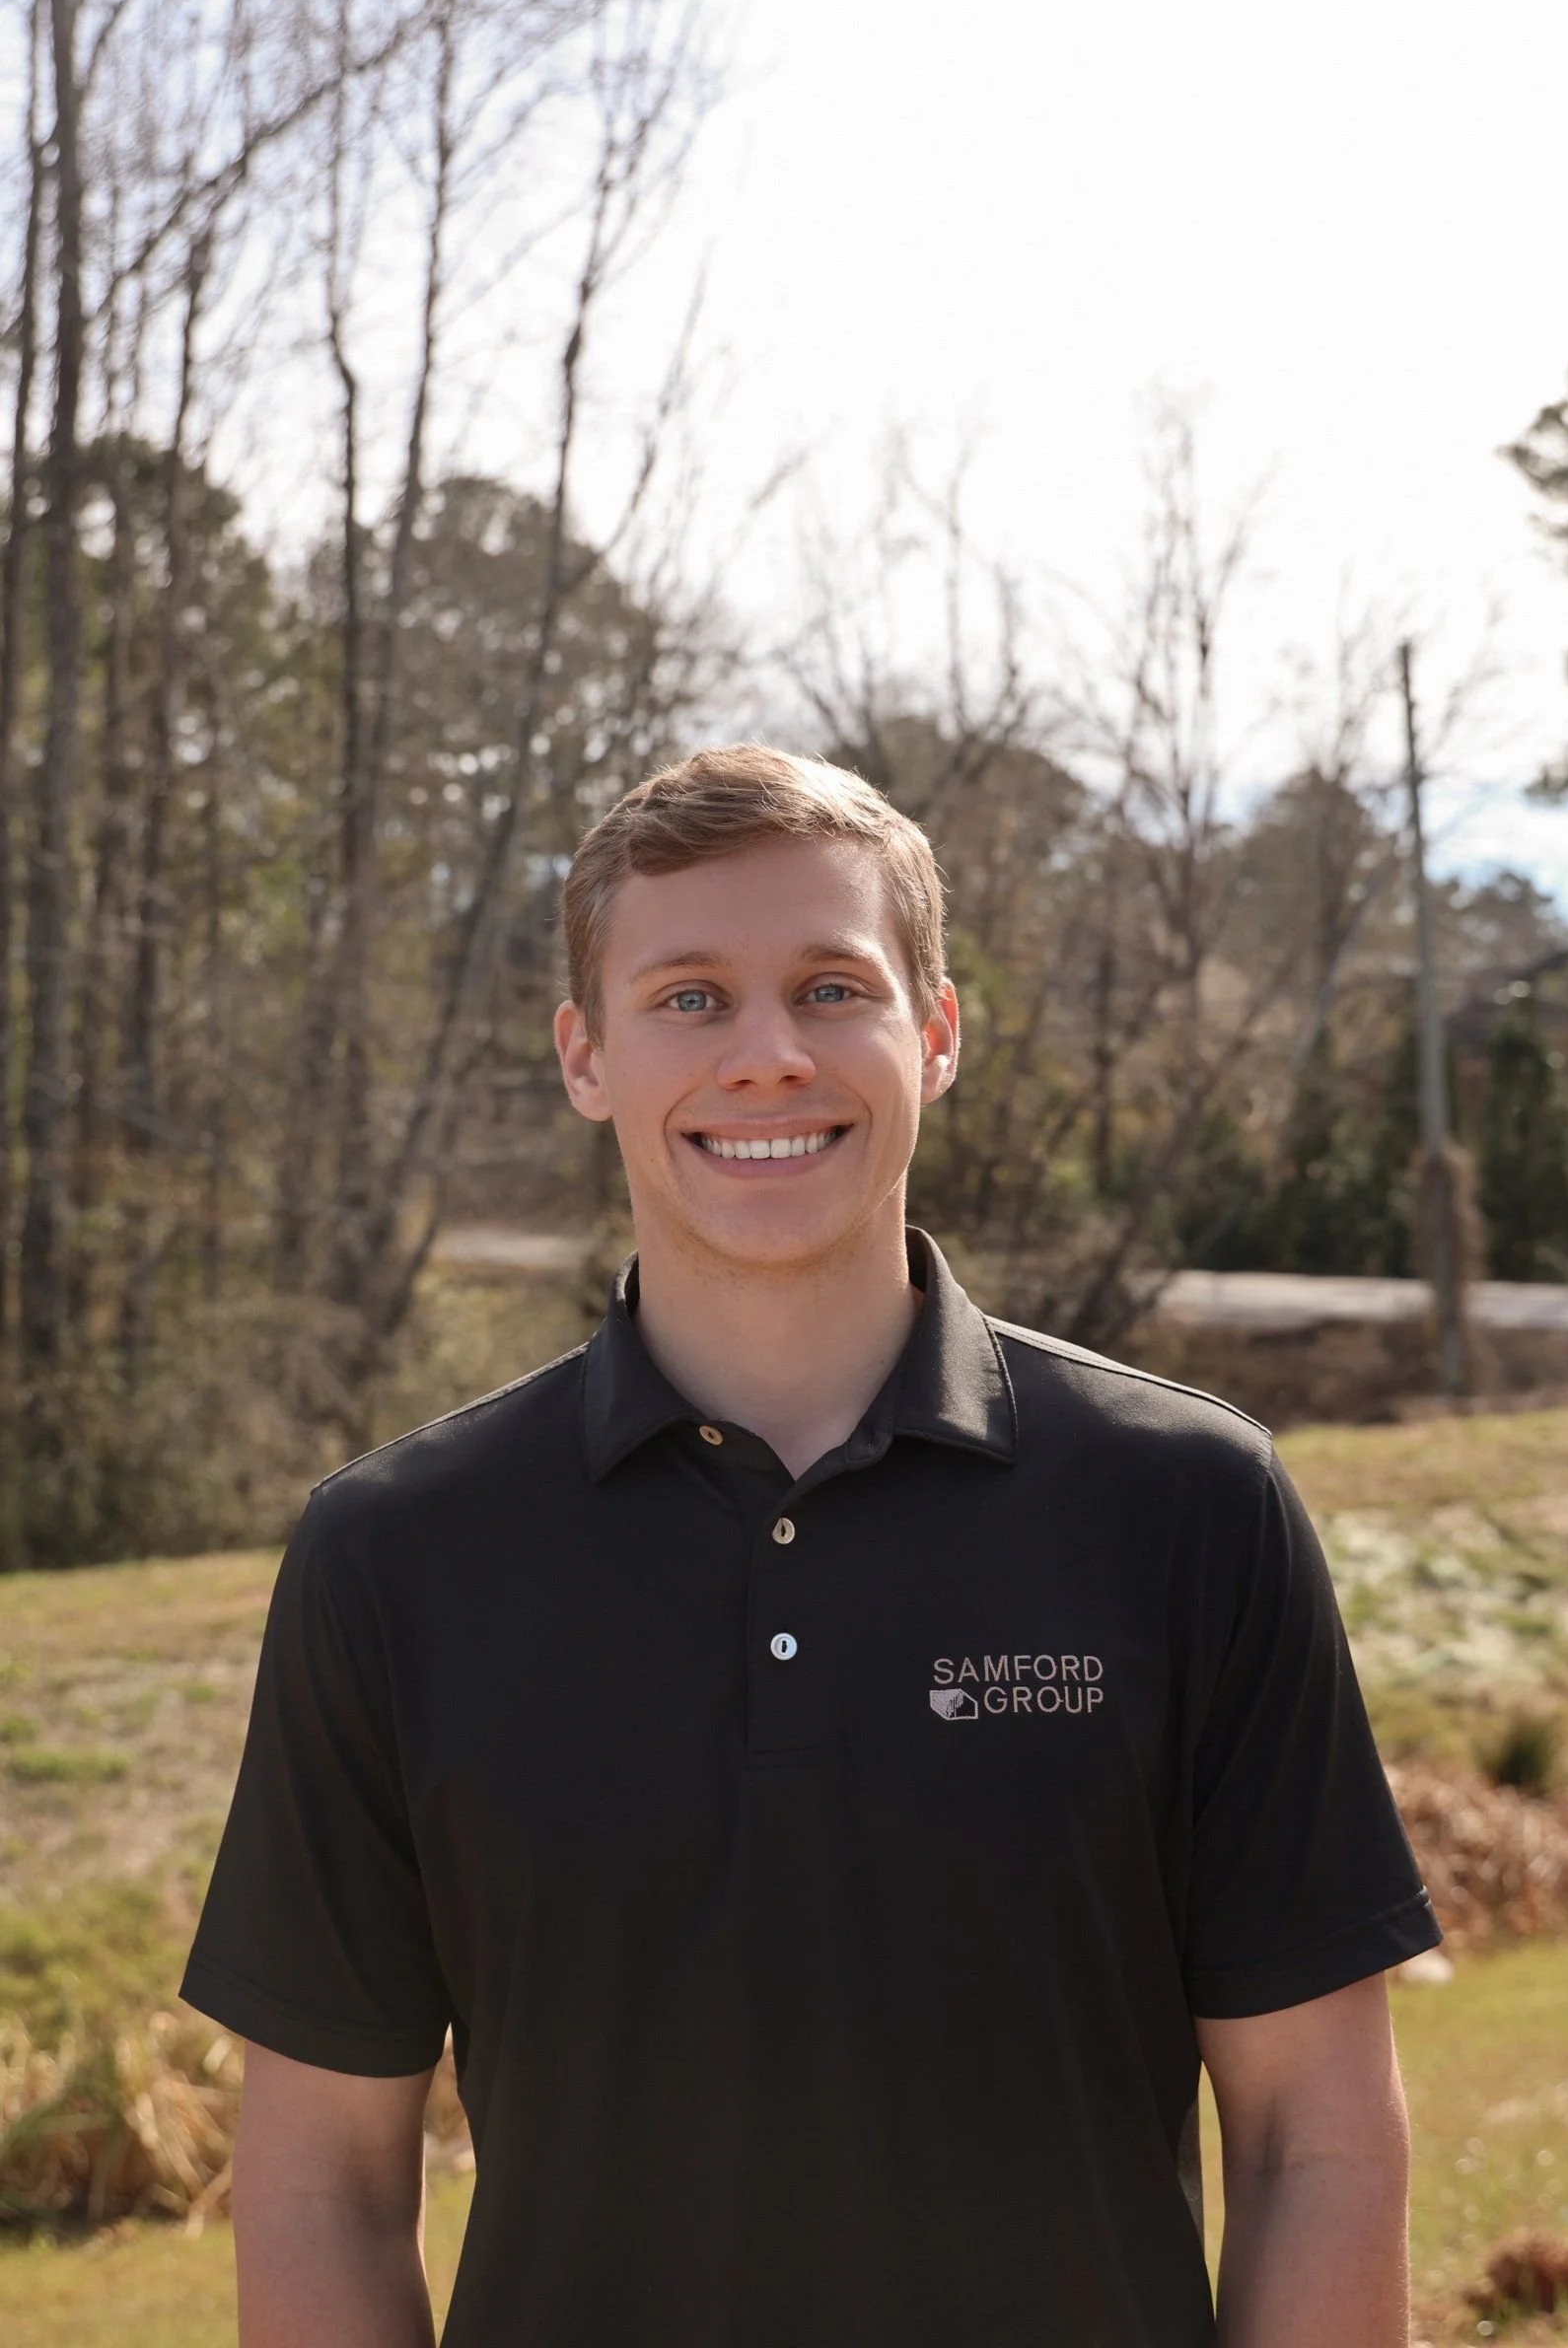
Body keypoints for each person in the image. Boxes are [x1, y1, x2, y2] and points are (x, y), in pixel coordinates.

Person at [183, 746, 1441, 2348]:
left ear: (937, 1030)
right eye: (690, 998)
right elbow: (320, 2188)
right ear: (586, 1057)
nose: (766, 1056)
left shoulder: (1187, 1504)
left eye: (831, 988)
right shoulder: (392, 1555)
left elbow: (1314, 2140)